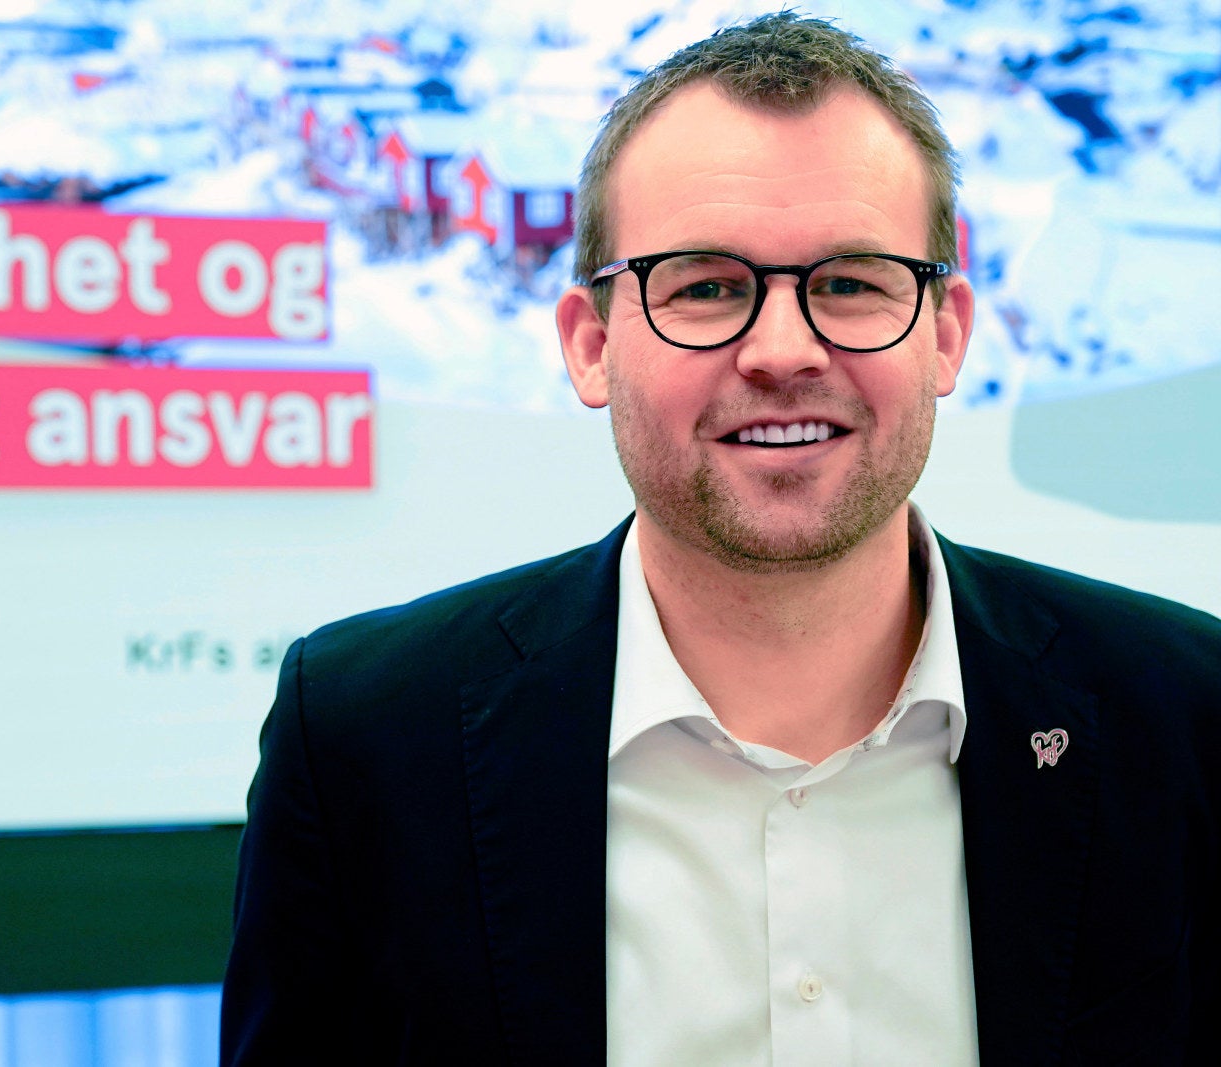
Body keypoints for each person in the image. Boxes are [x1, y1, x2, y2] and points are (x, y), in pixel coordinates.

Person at [221, 11, 1221, 1065]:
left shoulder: (1183, 718)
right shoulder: (367, 741)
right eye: (705, 287)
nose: (783, 351)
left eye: (850, 282)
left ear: (945, 334)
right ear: (591, 345)